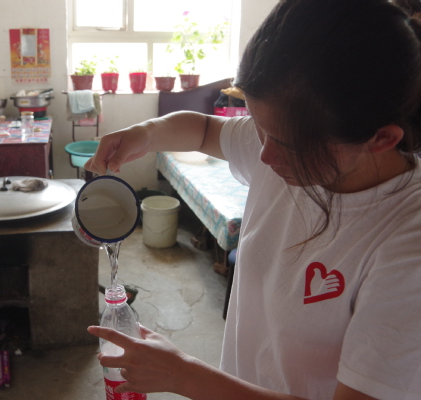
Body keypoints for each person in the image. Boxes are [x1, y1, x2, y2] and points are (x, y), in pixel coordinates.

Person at [84, 0, 421, 399]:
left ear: (382, 139)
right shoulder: (289, 148)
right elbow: (204, 130)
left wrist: (185, 376)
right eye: (259, 127)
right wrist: (146, 132)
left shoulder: (405, 246)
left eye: (288, 144)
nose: (264, 156)